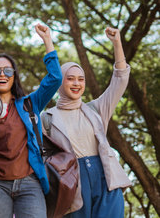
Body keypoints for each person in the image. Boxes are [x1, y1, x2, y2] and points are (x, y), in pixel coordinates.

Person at [41, 27, 131, 218]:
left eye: (81, 79)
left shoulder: (96, 109)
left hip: (106, 177)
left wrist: (117, 43)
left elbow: (120, 80)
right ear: (60, 82)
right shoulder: (47, 118)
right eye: (70, 79)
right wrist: (48, 42)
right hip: (73, 183)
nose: (76, 83)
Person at [0, 24, 62, 218]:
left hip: (29, 182)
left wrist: (47, 40)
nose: (2, 75)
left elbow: (56, 78)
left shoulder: (30, 104)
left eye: (8, 71)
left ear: (14, 76)